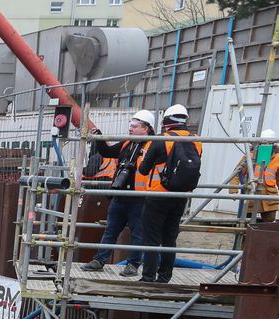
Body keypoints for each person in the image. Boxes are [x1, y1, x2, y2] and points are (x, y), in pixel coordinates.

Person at [82, 110, 155, 277]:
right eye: (130, 125)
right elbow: (108, 152)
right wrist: (99, 138)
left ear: (146, 129)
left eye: (134, 126)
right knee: (111, 230)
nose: (130, 129)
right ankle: (99, 260)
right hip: (120, 195)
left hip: (139, 197)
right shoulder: (127, 143)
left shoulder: (153, 145)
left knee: (138, 233)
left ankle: (133, 265)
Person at [138, 104, 203, 284]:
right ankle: (165, 277)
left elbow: (143, 170)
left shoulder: (161, 140)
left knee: (151, 238)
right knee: (170, 237)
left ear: (167, 120)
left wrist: (144, 155)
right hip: (181, 196)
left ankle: (148, 277)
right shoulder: (196, 139)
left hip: (158, 195)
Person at [231, 129, 279, 222]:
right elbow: (237, 173)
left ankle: (264, 236)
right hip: (252, 195)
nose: (266, 145)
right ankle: (246, 236)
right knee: (246, 221)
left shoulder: (277, 158)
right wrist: (233, 189)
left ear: (273, 144)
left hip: (269, 197)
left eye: (269, 142)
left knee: (269, 222)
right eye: (263, 142)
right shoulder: (250, 156)